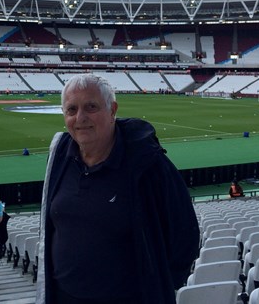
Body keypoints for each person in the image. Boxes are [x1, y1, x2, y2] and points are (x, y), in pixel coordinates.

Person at [36, 74, 200, 304]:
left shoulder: (148, 164)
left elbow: (185, 234)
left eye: (91, 107)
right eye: (71, 110)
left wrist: (159, 286)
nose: (80, 117)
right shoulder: (59, 158)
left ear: (112, 110)